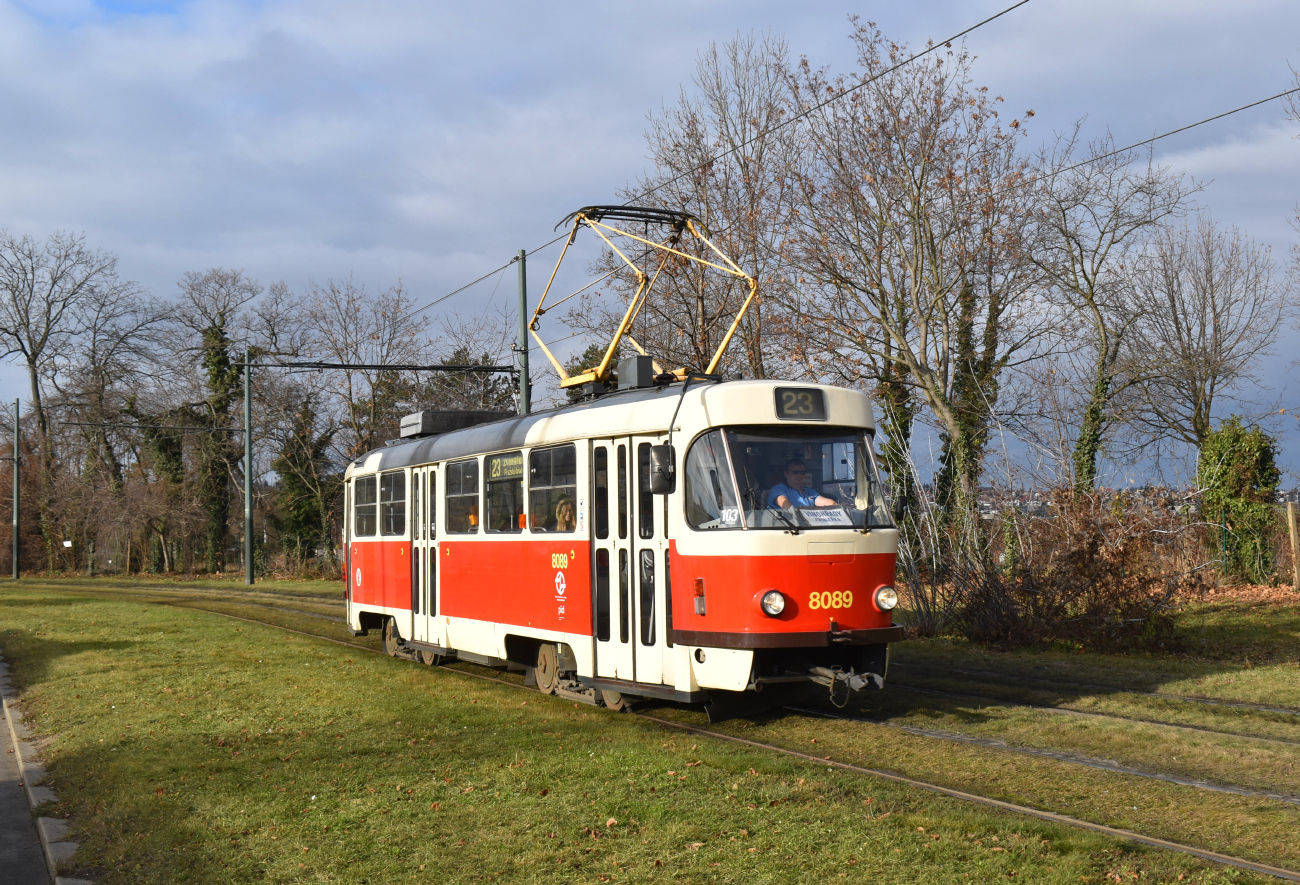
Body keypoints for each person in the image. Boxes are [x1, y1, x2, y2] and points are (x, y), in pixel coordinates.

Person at [767, 459, 836, 509]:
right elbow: (784, 503)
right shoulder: (778, 489)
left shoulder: (809, 491)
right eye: (795, 472)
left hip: (806, 526)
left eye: (802, 472)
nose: (799, 475)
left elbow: (824, 502)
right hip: (787, 526)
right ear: (786, 473)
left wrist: (837, 506)